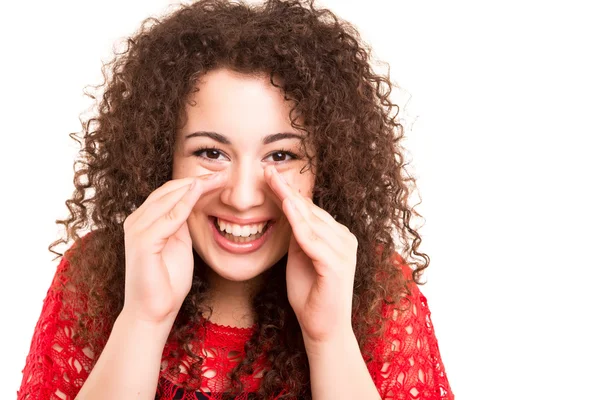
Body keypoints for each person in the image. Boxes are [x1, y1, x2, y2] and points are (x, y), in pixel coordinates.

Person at [17, 0, 454, 399]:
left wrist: (329, 337)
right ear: (160, 158)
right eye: (211, 153)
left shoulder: (380, 291)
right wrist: (143, 321)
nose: (243, 197)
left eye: (281, 155)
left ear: (327, 167)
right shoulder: (94, 276)